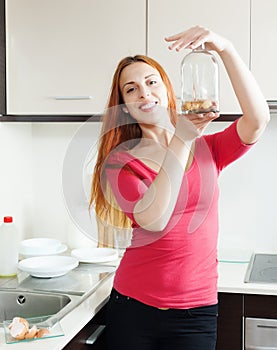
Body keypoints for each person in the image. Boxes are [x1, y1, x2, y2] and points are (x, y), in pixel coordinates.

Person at [90, 26, 270, 350]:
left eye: (151, 81)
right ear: (126, 106)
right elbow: (154, 220)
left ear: (167, 89)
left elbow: (257, 119)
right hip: (133, 308)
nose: (144, 92)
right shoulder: (121, 162)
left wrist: (225, 48)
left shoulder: (209, 150)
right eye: (131, 89)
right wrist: (183, 135)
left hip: (196, 314)